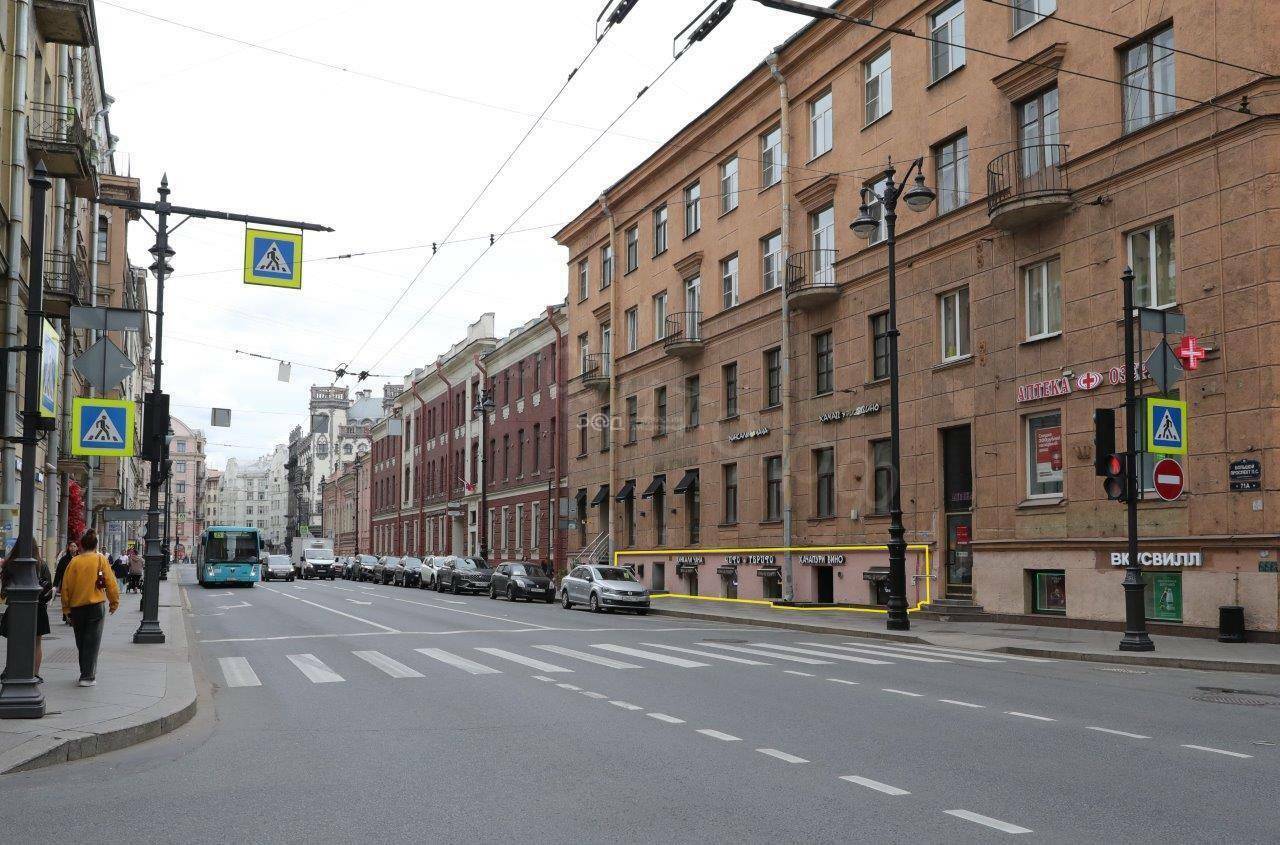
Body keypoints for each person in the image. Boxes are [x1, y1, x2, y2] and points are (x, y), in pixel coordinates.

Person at [59, 529, 119, 688]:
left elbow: (65, 587)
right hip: (95, 607)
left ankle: (84, 671)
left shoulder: (74, 562)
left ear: (81, 545)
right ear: (95, 545)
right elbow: (111, 582)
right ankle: (87, 676)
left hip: (77, 608)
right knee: (92, 641)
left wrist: (66, 608)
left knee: (81, 641)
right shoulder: (100, 559)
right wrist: (114, 602)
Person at [0, 541, 54, 683]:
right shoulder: (41, 564)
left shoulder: (10, 564)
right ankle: (34, 673)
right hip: (38, 608)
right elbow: (48, 587)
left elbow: (4, 591)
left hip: (16, 607)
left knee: (15, 641)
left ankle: (12, 669)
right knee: (36, 643)